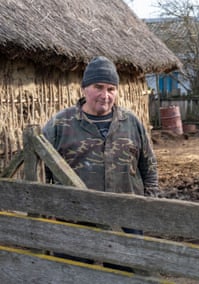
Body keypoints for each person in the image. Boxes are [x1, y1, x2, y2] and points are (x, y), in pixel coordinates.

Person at [43, 56, 159, 269]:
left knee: (126, 275)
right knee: (71, 273)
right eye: (98, 87)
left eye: (111, 89)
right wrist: (50, 206)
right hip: (74, 217)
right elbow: (43, 170)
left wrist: (148, 204)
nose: (105, 95)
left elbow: (148, 166)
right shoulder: (60, 124)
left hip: (126, 215)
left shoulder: (131, 122)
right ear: (85, 88)